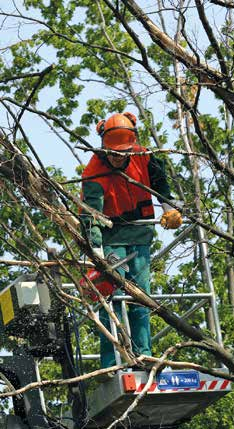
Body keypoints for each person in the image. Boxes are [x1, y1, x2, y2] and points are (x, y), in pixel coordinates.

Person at [80, 112, 182, 370]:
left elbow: (162, 184)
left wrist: (169, 207)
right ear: (105, 147)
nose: (118, 158)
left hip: (140, 235)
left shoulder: (144, 157)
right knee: (109, 297)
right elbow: (90, 216)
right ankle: (110, 362)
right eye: (114, 153)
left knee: (141, 298)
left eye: (123, 153)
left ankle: (143, 356)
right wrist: (97, 252)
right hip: (111, 237)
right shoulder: (94, 172)